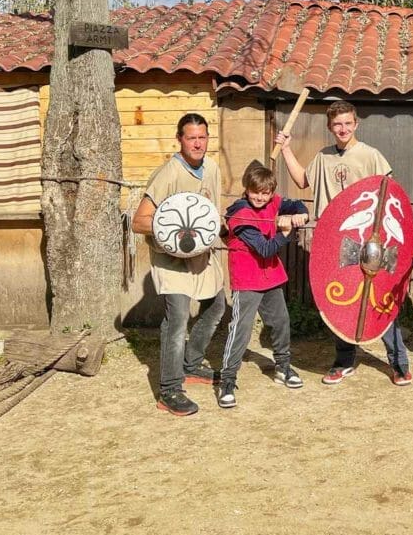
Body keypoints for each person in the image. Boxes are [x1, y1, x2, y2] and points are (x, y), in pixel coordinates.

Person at [277, 101, 412, 386]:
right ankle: (344, 361)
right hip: (336, 242)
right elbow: (303, 180)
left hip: (368, 243)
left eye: (348, 123)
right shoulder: (324, 157)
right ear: (330, 127)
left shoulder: (370, 155)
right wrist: (287, 149)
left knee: (380, 301)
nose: (343, 129)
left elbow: (389, 193)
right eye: (337, 124)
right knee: (338, 301)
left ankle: (399, 363)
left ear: (356, 123)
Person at [132, 113, 227, 417]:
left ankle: (192, 364)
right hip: (171, 260)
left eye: (202, 137)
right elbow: (140, 221)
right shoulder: (168, 173)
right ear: (180, 140)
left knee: (217, 306)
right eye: (191, 138)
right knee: (177, 321)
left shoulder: (212, 168)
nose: (198, 143)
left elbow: (212, 213)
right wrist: (174, 231)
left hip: (202, 256)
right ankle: (170, 389)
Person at [216, 165, 309, 408]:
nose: (260, 197)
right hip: (247, 279)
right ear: (246, 190)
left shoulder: (272, 202)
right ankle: (227, 380)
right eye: (255, 192)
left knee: (280, 322)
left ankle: (283, 367)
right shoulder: (239, 215)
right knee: (241, 330)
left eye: (265, 193)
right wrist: (286, 231)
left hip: (271, 276)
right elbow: (265, 248)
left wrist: (301, 214)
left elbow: (296, 204)